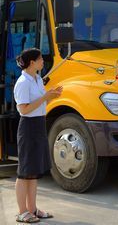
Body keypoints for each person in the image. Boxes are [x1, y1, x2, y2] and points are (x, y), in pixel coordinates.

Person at [14, 48, 62, 223]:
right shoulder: (23, 82)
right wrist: (45, 97)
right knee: (24, 171)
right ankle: (22, 211)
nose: (43, 61)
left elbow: (40, 103)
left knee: (33, 172)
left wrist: (52, 96)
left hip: (39, 124)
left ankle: (32, 209)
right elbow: (24, 109)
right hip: (28, 127)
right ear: (32, 62)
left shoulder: (36, 80)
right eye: (41, 59)